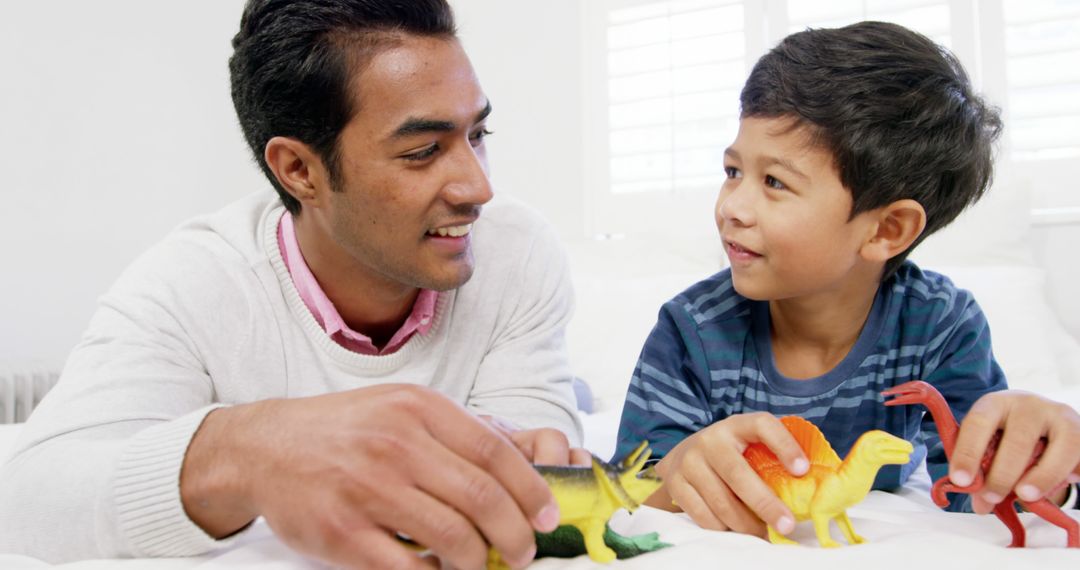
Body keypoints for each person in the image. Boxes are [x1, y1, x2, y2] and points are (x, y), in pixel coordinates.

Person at [0, 1, 588, 569]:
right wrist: (248, 449)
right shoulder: (189, 284)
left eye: (478, 134)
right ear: (299, 170)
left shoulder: (519, 252)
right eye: (422, 150)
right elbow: (27, 502)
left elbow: (532, 458)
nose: (477, 187)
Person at [613, 21, 1080, 539]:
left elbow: (973, 493)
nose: (732, 208)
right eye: (732, 172)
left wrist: (1040, 464)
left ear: (887, 229)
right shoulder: (691, 328)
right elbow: (628, 483)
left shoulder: (938, 324)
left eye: (774, 182)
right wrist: (676, 471)